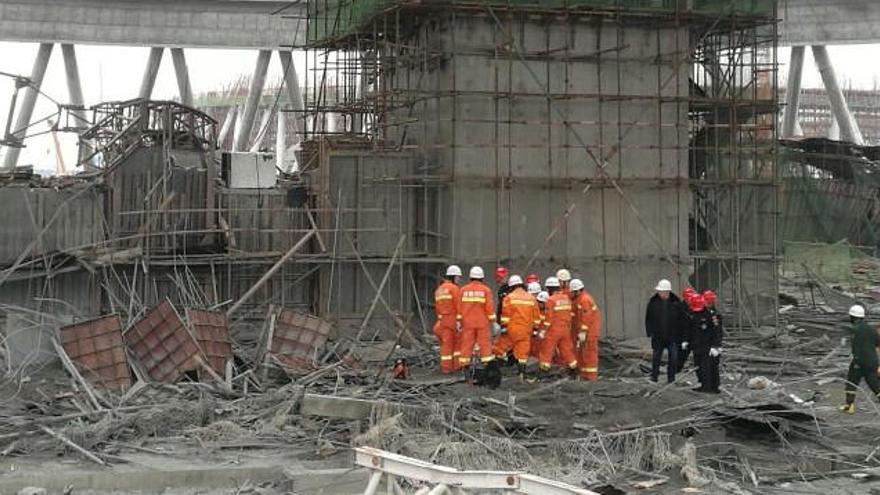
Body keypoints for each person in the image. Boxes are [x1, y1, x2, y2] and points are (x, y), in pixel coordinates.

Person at [493, 275, 541, 379]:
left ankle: (495, 370)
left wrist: (504, 327)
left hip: (512, 330)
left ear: (511, 286)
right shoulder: (531, 298)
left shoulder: (509, 297)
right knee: (522, 354)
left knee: (499, 348)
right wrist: (535, 329)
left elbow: (505, 314)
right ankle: (521, 374)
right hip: (526, 331)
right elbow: (536, 317)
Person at [840, 304, 880, 413]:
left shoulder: (855, 329)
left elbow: (856, 348)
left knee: (851, 381)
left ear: (852, 317)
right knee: (874, 383)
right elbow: (877, 343)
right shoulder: (871, 329)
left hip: (860, 361)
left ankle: (850, 406)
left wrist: (857, 361)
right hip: (873, 361)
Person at [645, 279, 686, 383]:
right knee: (656, 358)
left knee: (673, 359)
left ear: (667, 291)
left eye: (662, 291)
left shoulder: (676, 303)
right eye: (659, 291)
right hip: (658, 336)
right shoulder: (653, 303)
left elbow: (682, 320)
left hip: (672, 337)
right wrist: (650, 332)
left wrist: (681, 336)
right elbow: (648, 318)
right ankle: (654, 377)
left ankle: (671, 378)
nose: (660, 293)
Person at [458, 266, 497, 373]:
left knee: (466, 345)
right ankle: (486, 366)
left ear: (470, 277)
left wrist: (459, 321)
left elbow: (459, 308)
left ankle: (464, 368)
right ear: (482, 278)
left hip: (467, 323)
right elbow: (489, 308)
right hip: (482, 323)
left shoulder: (463, 290)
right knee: (485, 345)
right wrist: (493, 322)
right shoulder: (486, 290)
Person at [537, 277, 578, 377]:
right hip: (565, 330)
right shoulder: (566, 298)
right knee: (567, 351)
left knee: (546, 351)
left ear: (550, 288)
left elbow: (549, 318)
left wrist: (543, 331)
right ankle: (574, 372)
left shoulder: (551, 300)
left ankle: (543, 375)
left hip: (553, 330)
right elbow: (569, 314)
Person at [689, 294, 722, 393]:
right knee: (701, 366)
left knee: (708, 366)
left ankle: (711, 387)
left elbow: (717, 331)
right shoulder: (699, 312)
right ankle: (705, 385)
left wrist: (716, 346)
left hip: (709, 345)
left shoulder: (714, 314)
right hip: (699, 344)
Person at [433, 265, 462, 374]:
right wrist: (460, 321)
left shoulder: (439, 290)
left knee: (446, 345)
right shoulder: (454, 289)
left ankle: (446, 368)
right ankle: (457, 366)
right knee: (457, 344)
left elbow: (438, 308)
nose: (459, 280)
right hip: (453, 321)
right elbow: (459, 306)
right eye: (458, 277)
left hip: (443, 321)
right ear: (453, 276)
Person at [571, 278, 602, 381]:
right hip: (586, 331)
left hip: (590, 332)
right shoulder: (580, 299)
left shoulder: (584, 300)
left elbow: (586, 316)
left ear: (578, 290)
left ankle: (591, 378)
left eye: (573, 292)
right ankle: (584, 375)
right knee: (582, 353)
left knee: (589, 354)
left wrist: (583, 331)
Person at [531, 290, 549, 360]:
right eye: (538, 302)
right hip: (535, 336)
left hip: (544, 337)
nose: (539, 304)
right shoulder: (535, 311)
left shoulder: (549, 313)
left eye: (541, 302)